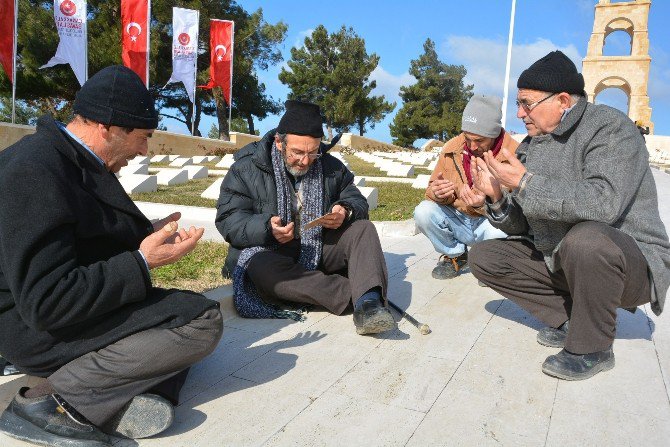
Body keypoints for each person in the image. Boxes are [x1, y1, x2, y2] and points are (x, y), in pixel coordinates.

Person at [0, 66, 223, 446]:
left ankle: (122, 391)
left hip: (62, 315)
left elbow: (84, 239)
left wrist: (145, 236)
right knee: (198, 324)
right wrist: (141, 261)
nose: (144, 150)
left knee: (187, 310)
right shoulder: (34, 170)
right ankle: (50, 404)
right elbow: (46, 301)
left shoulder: (67, 159)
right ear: (107, 127)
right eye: (141, 138)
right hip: (31, 328)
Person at [468, 50, 670, 380]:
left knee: (585, 239)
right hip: (565, 258)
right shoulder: (531, 146)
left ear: (563, 100)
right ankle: (570, 317)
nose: (518, 113)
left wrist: (524, 182)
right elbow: (521, 223)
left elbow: (604, 204)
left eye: (526, 103)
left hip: (629, 263)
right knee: (485, 256)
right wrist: (496, 198)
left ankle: (593, 346)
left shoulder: (611, 129)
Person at [216, 100, 396, 335]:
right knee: (259, 269)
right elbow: (228, 219)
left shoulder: (331, 166)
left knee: (363, 229)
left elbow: (357, 200)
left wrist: (344, 210)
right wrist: (265, 227)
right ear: (280, 142)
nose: (305, 161)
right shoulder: (246, 168)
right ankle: (361, 293)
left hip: (318, 245)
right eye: (298, 152)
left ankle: (368, 307)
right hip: (270, 251)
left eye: (313, 153)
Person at [413, 95, 518, 279]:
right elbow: (431, 190)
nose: (472, 145)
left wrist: (485, 203)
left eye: (479, 140)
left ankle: (490, 264)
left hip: (491, 221)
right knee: (423, 212)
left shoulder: (515, 154)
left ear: (494, 134)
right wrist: (438, 193)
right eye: (468, 138)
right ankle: (456, 255)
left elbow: (518, 209)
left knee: (500, 230)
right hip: (460, 218)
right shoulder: (451, 148)